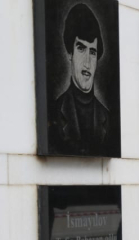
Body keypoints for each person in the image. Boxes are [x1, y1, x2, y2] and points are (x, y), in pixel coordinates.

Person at [49, 3, 115, 156]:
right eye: (81, 48)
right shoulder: (54, 112)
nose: (87, 62)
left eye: (92, 52)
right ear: (70, 53)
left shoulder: (108, 118)